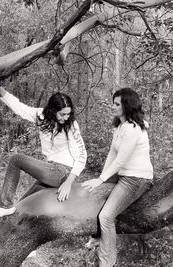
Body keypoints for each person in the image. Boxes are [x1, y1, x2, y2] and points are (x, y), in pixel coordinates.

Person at [82, 88, 153, 267]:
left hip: (136, 178)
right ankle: (97, 236)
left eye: (116, 104)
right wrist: (101, 179)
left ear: (127, 105)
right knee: (93, 192)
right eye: (113, 103)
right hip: (123, 175)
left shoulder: (134, 128)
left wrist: (101, 179)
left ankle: (108, 263)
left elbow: (121, 160)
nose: (112, 107)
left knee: (106, 216)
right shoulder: (120, 126)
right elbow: (112, 156)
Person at [0, 86, 87, 218]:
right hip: (50, 171)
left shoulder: (71, 125)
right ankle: (9, 218)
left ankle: (3, 205)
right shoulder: (40, 116)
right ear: (53, 110)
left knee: (16, 159)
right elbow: (19, 108)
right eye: (62, 114)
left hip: (62, 172)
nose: (66, 117)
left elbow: (82, 156)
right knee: (21, 206)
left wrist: (68, 183)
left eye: (68, 114)